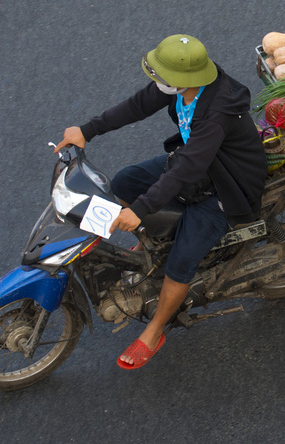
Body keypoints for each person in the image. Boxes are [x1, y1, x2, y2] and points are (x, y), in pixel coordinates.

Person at [53, 34, 267, 369]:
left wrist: (139, 210)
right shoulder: (180, 87)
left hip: (227, 184)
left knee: (179, 264)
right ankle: (155, 241)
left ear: (183, 79)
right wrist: (87, 130)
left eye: (160, 76)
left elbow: (187, 167)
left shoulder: (218, 111)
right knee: (124, 181)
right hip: (197, 166)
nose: (155, 81)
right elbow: (138, 105)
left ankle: (154, 331)